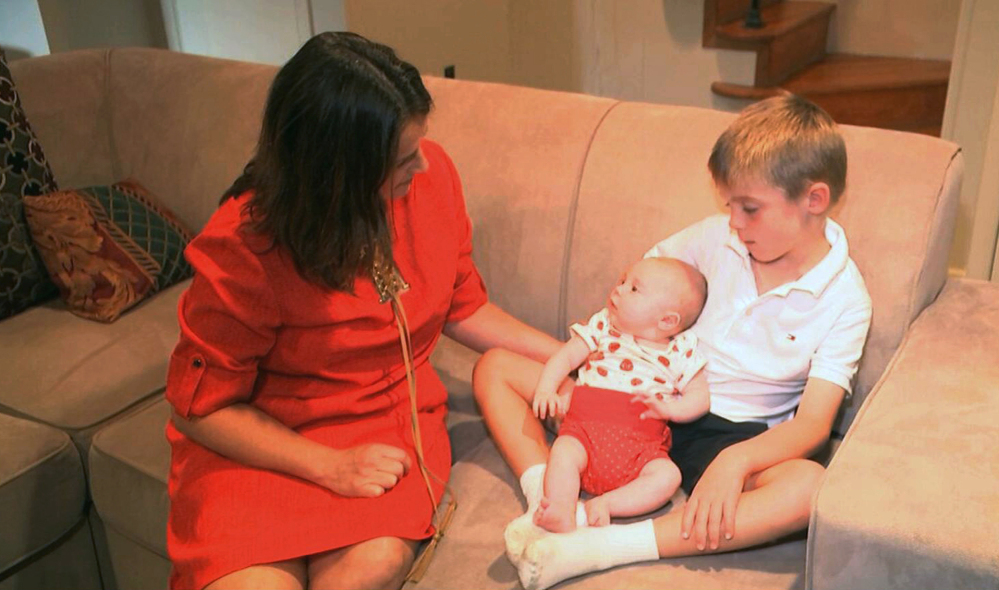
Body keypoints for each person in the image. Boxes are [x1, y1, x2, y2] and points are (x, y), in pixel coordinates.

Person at [164, 32, 562, 590]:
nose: (423, 165)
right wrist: (327, 465)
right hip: (264, 436)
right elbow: (196, 409)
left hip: (381, 421)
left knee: (369, 569)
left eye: (420, 145)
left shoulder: (431, 178)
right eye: (402, 157)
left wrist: (574, 355)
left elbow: (463, 306)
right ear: (336, 173)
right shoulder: (245, 245)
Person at [472, 94, 872, 590]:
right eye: (730, 206)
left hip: (730, 435)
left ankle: (598, 549)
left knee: (807, 490)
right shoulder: (713, 239)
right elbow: (641, 291)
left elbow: (813, 425)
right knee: (495, 367)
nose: (734, 223)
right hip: (636, 398)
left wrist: (736, 461)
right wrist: (603, 363)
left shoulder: (846, 299)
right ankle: (547, 503)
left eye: (750, 208)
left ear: (814, 199)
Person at [516, 257, 709, 538]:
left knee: (668, 477)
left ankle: (608, 504)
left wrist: (670, 409)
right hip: (583, 434)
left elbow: (700, 398)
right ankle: (560, 509)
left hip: (640, 449)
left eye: (633, 289)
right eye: (622, 281)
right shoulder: (603, 327)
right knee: (562, 453)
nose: (618, 289)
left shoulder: (680, 351)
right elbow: (567, 357)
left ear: (667, 320)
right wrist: (546, 389)